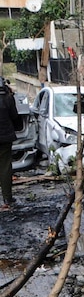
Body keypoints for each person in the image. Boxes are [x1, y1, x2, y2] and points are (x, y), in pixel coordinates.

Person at [0, 79, 22, 211]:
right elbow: (15, 116)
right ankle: (7, 197)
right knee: (5, 168)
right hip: (5, 139)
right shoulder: (8, 98)